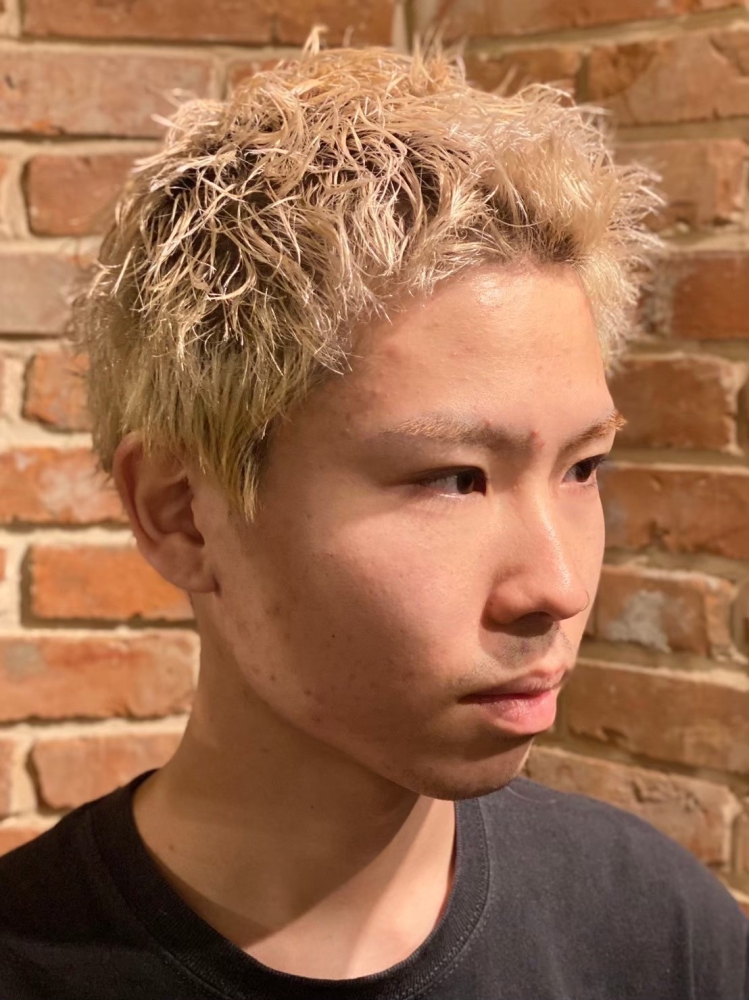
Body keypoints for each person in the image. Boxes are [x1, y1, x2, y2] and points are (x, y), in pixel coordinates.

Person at [0, 34, 746, 1000]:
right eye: (453, 480)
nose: (556, 588)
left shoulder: (652, 929)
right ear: (182, 513)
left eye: (582, 467)